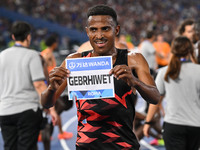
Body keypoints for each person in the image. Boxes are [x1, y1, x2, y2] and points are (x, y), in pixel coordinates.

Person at [41, 5, 160, 150]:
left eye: (105, 28)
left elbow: (155, 97)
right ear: (87, 32)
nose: (99, 35)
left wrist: (135, 82)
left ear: (116, 30)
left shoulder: (133, 60)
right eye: (93, 30)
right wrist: (52, 88)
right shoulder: (75, 61)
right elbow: (46, 103)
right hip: (86, 146)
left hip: (123, 145)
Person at [0, 21, 57, 150]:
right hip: (27, 110)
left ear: (13, 37)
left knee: (10, 147)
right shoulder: (32, 55)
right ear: (28, 36)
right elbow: (38, 84)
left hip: (5, 111)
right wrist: (51, 108)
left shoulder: (1, 56)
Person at [143, 36, 200, 150]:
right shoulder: (198, 70)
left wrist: (148, 122)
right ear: (191, 50)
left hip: (173, 125)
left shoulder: (165, 72)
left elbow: (155, 100)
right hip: (196, 125)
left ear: (172, 51)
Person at [40, 35, 73, 141]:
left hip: (51, 83)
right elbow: (42, 67)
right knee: (57, 107)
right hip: (49, 84)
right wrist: (46, 83)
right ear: (54, 43)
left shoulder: (48, 52)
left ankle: (54, 132)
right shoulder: (46, 54)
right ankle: (50, 132)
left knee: (51, 110)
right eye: (56, 42)